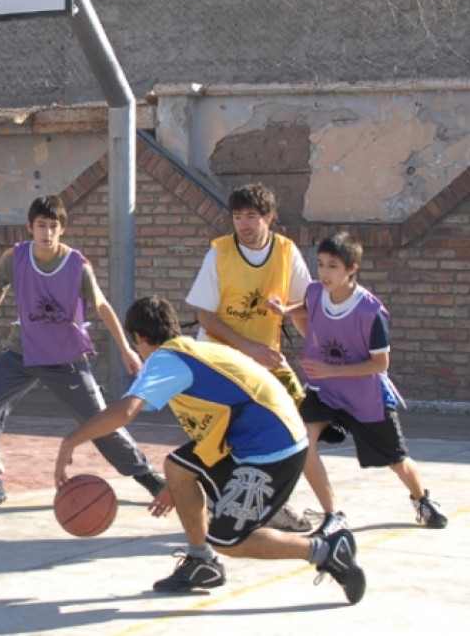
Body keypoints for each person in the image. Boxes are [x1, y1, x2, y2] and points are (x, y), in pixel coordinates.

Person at [54, 296, 366, 604]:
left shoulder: (166, 359)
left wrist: (72, 440)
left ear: (139, 338)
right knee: (177, 468)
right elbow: (221, 421)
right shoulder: (193, 350)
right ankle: (201, 561)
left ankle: (325, 550)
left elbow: (125, 411)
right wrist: (179, 485)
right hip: (258, 436)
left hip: (272, 450)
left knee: (229, 540)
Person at [0, 195, 165, 508]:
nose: (47, 232)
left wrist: (126, 348)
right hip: (20, 352)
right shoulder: (14, 258)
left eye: (53, 226)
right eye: (41, 225)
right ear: (30, 227)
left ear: (62, 229)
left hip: (66, 357)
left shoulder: (77, 265)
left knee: (99, 421)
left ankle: (146, 475)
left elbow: (102, 305)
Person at [268, 231, 447, 532]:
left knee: (398, 461)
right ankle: (332, 512)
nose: (324, 273)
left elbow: (381, 363)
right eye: (322, 264)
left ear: (352, 268)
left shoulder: (371, 311)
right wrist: (284, 311)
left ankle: (422, 499)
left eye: (333, 266)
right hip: (325, 392)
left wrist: (330, 370)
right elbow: (308, 306)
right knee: (302, 441)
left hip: (366, 397)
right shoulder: (314, 292)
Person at [185, 183, 313, 532]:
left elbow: (304, 306)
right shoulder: (219, 253)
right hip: (220, 360)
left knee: (297, 426)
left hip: (264, 360)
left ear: (269, 217)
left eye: (251, 217)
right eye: (237, 217)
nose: (242, 224)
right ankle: (231, 499)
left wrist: (314, 348)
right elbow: (206, 317)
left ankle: (276, 501)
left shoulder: (287, 253)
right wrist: (249, 349)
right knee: (225, 437)